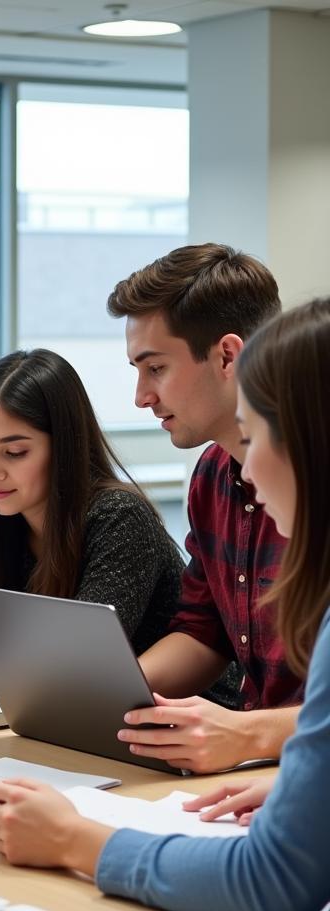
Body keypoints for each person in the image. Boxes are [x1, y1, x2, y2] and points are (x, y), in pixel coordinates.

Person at [0, 297, 330, 911]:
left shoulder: (118, 519)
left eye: (254, 438)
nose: (245, 469)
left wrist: (75, 839)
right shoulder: (213, 481)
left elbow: (270, 885)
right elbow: (205, 627)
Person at [109, 243, 302, 773]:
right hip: (264, 771)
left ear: (226, 356)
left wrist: (246, 733)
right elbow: (204, 632)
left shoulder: (314, 479)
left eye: (155, 368)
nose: (141, 396)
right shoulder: (214, 476)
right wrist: (102, 695)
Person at [0, 349, 184, 681]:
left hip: (178, 712)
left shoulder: (120, 518)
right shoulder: (4, 518)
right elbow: (4, 641)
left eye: (15, 452)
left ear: (64, 447)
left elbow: (76, 655)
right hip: (82, 712)